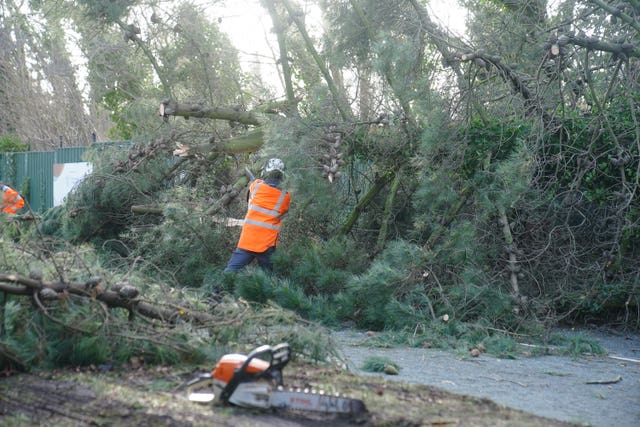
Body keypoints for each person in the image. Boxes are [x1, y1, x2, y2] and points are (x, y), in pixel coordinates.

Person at [224, 158, 291, 273]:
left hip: (248, 240)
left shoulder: (256, 186)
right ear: (282, 176)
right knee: (267, 281)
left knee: (230, 273)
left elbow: (249, 201)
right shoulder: (285, 197)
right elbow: (283, 213)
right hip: (267, 244)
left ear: (265, 172)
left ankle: (215, 290)